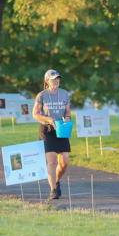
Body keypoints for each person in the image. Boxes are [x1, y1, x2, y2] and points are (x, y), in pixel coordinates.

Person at [33, 69, 71, 200]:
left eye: (58, 78)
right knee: (52, 161)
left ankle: (56, 181)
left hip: (61, 129)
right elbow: (35, 114)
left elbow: (68, 112)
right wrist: (48, 119)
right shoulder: (41, 95)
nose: (56, 80)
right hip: (47, 130)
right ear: (47, 81)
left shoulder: (64, 94)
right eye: (54, 78)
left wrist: (67, 119)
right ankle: (53, 189)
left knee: (64, 162)